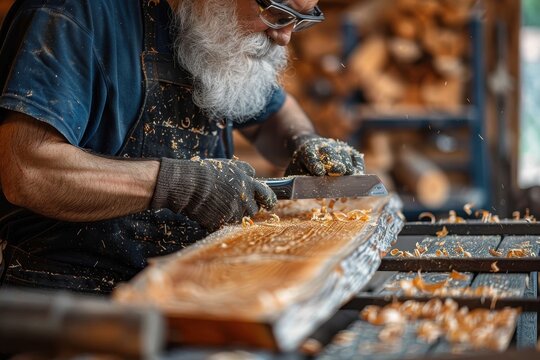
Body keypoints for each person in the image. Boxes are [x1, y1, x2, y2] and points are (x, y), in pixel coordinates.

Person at [0, 0, 365, 293]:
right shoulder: (72, 13)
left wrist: (303, 142)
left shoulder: (214, 28)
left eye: (300, 19)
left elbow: (273, 113)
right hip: (70, 298)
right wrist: (181, 184)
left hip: (184, 287)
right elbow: (26, 170)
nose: (285, 36)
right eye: (275, 12)